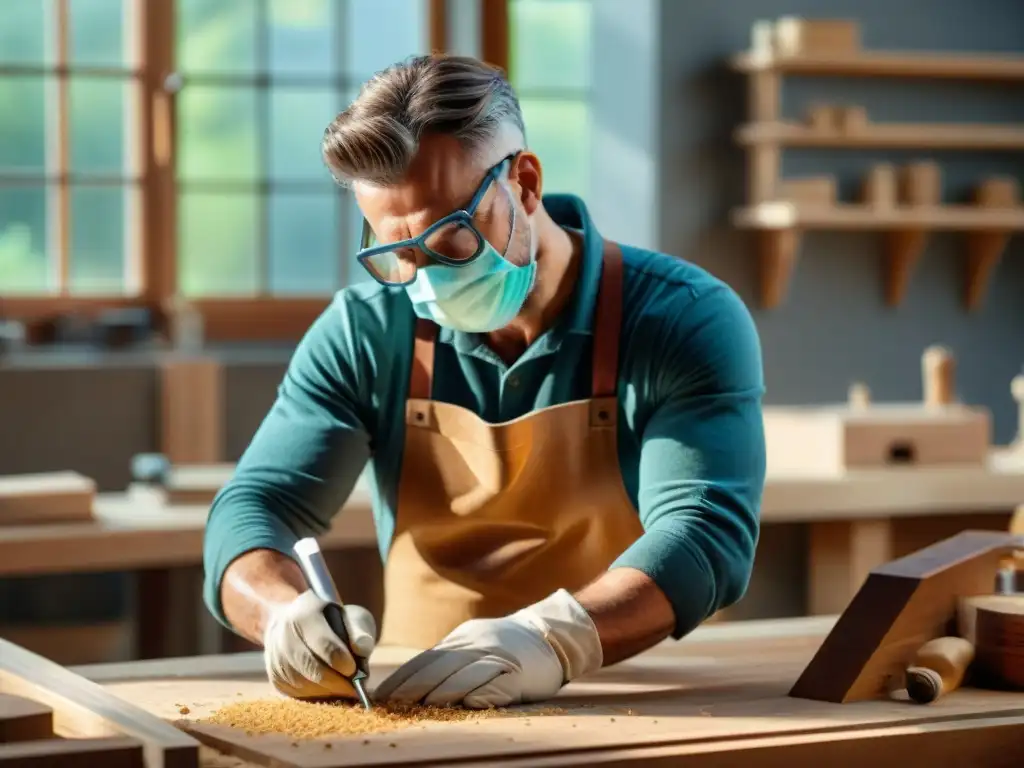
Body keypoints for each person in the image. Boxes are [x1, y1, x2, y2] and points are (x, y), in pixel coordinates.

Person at [203, 53, 765, 710]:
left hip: (623, 693)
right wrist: (280, 615)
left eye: (452, 241)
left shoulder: (680, 319)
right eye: (399, 254)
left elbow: (705, 531)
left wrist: (558, 641)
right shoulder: (364, 332)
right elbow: (254, 508)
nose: (427, 278)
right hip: (416, 702)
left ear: (524, 182)